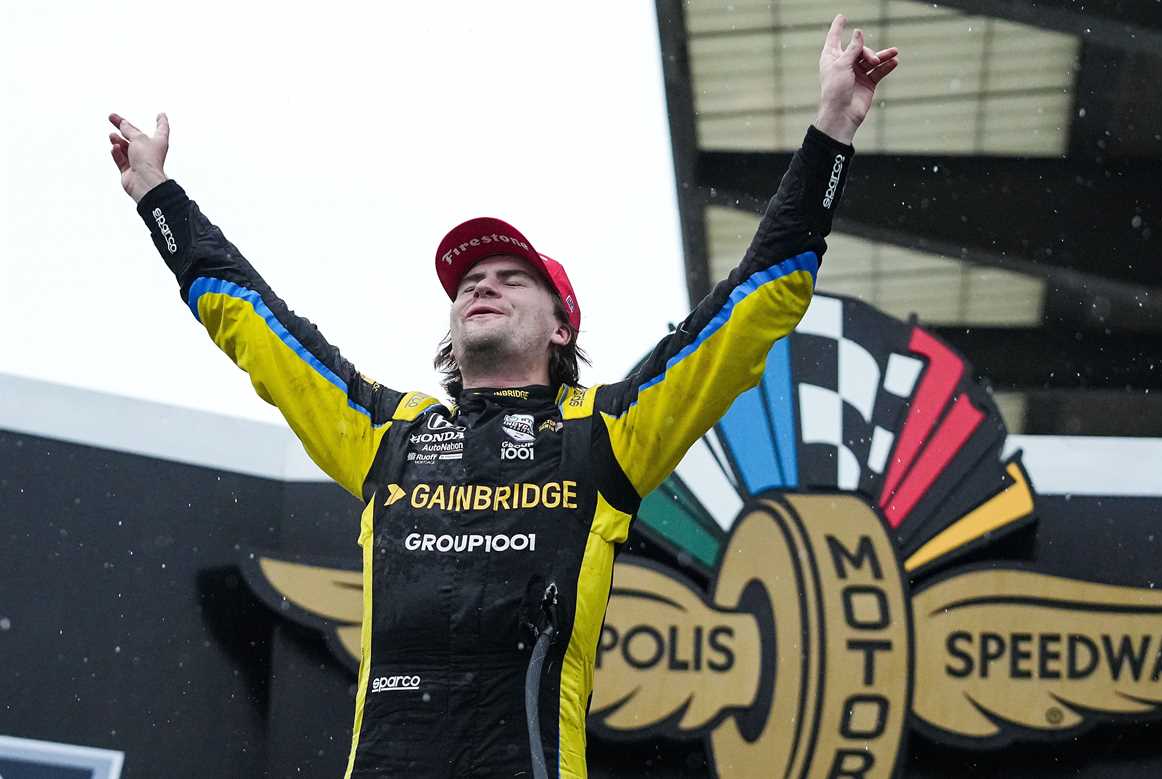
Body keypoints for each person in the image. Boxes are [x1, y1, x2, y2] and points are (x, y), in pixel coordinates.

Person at [108, 15, 897, 779]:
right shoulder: (388, 434)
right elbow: (256, 323)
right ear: (451, 336)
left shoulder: (608, 433)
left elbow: (755, 301)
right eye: (468, 281)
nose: (481, 284)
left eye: (511, 277)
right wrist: (159, 200)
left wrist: (831, 128)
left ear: (562, 328)